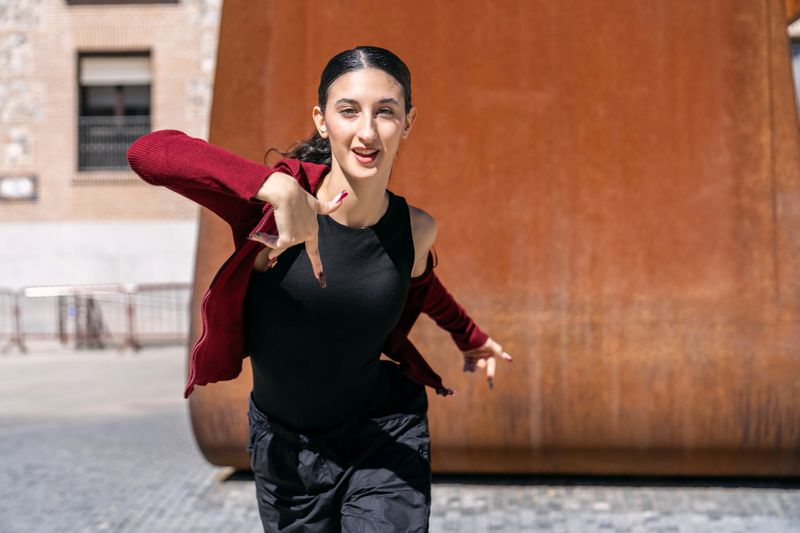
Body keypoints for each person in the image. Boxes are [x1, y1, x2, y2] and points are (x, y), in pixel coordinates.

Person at [128, 45, 512, 532]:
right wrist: (272, 186)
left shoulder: (415, 229)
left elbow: (421, 286)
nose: (367, 132)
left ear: (408, 123)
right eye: (348, 111)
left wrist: (470, 336)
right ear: (322, 119)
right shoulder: (271, 212)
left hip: (382, 433)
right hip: (286, 454)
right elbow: (148, 153)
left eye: (386, 112)